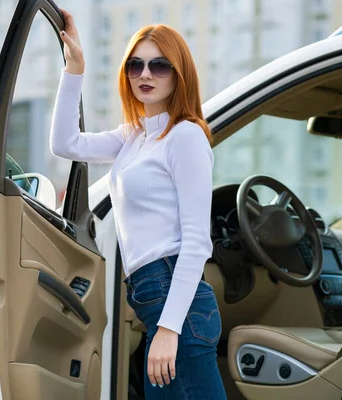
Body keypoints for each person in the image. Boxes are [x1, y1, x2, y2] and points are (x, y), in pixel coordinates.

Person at [49, 9, 227, 400]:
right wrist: (75, 68)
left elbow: (197, 242)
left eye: (159, 65)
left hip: (176, 307)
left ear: (179, 73)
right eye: (136, 65)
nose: (145, 74)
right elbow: (65, 144)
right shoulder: (134, 136)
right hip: (156, 306)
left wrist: (169, 328)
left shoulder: (185, 137)